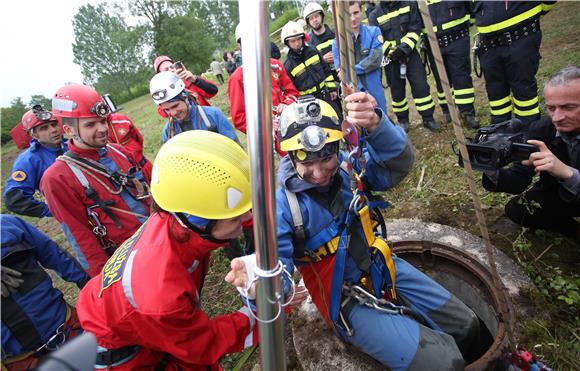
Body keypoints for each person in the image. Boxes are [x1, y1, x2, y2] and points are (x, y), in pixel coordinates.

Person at [229, 93, 479, 370]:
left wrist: (376, 126)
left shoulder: (350, 169)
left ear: (337, 147)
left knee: (465, 325)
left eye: (326, 158)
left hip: (381, 267)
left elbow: (397, 167)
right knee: (444, 363)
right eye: (307, 162)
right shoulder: (282, 209)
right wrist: (258, 285)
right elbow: (280, 275)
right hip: (344, 298)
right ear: (289, 154)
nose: (319, 172)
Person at [77, 131, 258, 370]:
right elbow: (204, 344)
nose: (246, 219)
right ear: (198, 221)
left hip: (133, 317)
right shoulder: (160, 293)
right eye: (235, 218)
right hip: (125, 352)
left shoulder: (175, 218)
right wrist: (263, 311)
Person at [41, 84, 152, 277]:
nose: (102, 129)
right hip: (127, 261)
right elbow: (79, 237)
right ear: (68, 130)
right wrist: (106, 280)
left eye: (102, 121)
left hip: (157, 237)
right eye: (90, 124)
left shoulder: (119, 151)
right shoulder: (57, 178)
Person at [482, 65, 580, 240]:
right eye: (551, 108)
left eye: (568, 107)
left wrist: (567, 173)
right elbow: (518, 180)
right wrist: (491, 168)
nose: (557, 117)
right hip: (563, 197)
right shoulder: (542, 130)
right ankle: (574, 231)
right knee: (518, 209)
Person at [1, 214, 89, 370]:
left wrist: (89, 286)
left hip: (69, 330)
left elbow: (52, 254)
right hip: (22, 361)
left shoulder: (6, 225)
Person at [472, 1, 557, 125]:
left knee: (522, 87)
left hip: (520, 35)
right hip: (488, 44)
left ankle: (528, 128)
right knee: (496, 91)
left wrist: (533, 12)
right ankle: (500, 129)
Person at [369, 0, 440, 132]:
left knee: (421, 86)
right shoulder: (374, 15)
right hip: (391, 60)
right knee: (397, 92)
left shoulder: (410, 4)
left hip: (411, 55)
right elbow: (377, 38)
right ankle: (403, 121)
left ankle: (428, 118)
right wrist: (392, 52)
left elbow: (415, 28)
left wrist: (403, 49)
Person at [229, 23, 300, 135]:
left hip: (291, 126)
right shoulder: (237, 78)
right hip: (265, 139)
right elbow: (239, 118)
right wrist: (265, 127)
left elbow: (292, 92)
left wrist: (286, 103)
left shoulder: (275, 65)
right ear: (240, 46)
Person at [3, 106, 66, 218]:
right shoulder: (29, 160)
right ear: (33, 134)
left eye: (54, 124)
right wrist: (52, 211)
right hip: (71, 218)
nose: (53, 130)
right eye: (44, 128)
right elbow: (14, 199)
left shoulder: (72, 145)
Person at [425, 0, 478, 129]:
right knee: (441, 80)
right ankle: (447, 111)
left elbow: (471, 11)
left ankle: (467, 114)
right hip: (434, 43)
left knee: (462, 78)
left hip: (458, 39)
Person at [150, 71, 239, 144]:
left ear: (185, 97)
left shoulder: (212, 115)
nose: (173, 113)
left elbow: (234, 145)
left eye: (175, 106)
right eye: (167, 109)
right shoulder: (169, 131)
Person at [333, 1, 388, 114]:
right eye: (348, 14)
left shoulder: (374, 32)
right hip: (354, 93)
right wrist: (364, 94)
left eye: (356, 13)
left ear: (362, 10)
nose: (353, 18)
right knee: (359, 127)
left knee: (382, 121)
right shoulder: (338, 43)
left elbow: (375, 60)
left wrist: (350, 69)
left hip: (375, 91)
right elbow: (342, 73)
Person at [282, 21, 340, 117]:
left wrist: (332, 88)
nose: (297, 43)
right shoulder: (288, 66)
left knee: (337, 120)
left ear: (303, 38)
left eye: (298, 39)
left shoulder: (313, 51)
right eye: (293, 41)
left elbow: (326, 70)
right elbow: (292, 89)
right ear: (287, 43)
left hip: (326, 96)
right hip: (308, 104)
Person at [153, 55, 218, 107]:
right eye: (166, 69)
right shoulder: (162, 94)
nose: (171, 70)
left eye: (172, 67)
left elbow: (213, 91)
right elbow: (164, 112)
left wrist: (195, 80)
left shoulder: (190, 82)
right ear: (160, 75)